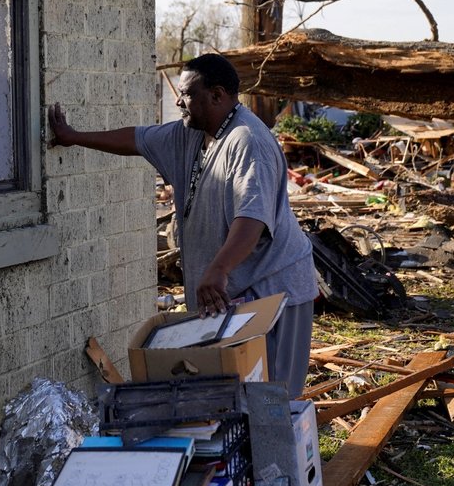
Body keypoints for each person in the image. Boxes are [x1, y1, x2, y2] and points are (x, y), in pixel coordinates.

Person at [48, 53, 317, 397]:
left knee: (273, 398)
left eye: (187, 93)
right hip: (232, 292)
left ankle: (282, 450)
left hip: (273, 291)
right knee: (236, 400)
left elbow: (252, 219)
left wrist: (218, 268)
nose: (178, 100)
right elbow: (136, 139)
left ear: (217, 95)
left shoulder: (247, 142)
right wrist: (74, 137)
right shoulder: (191, 133)